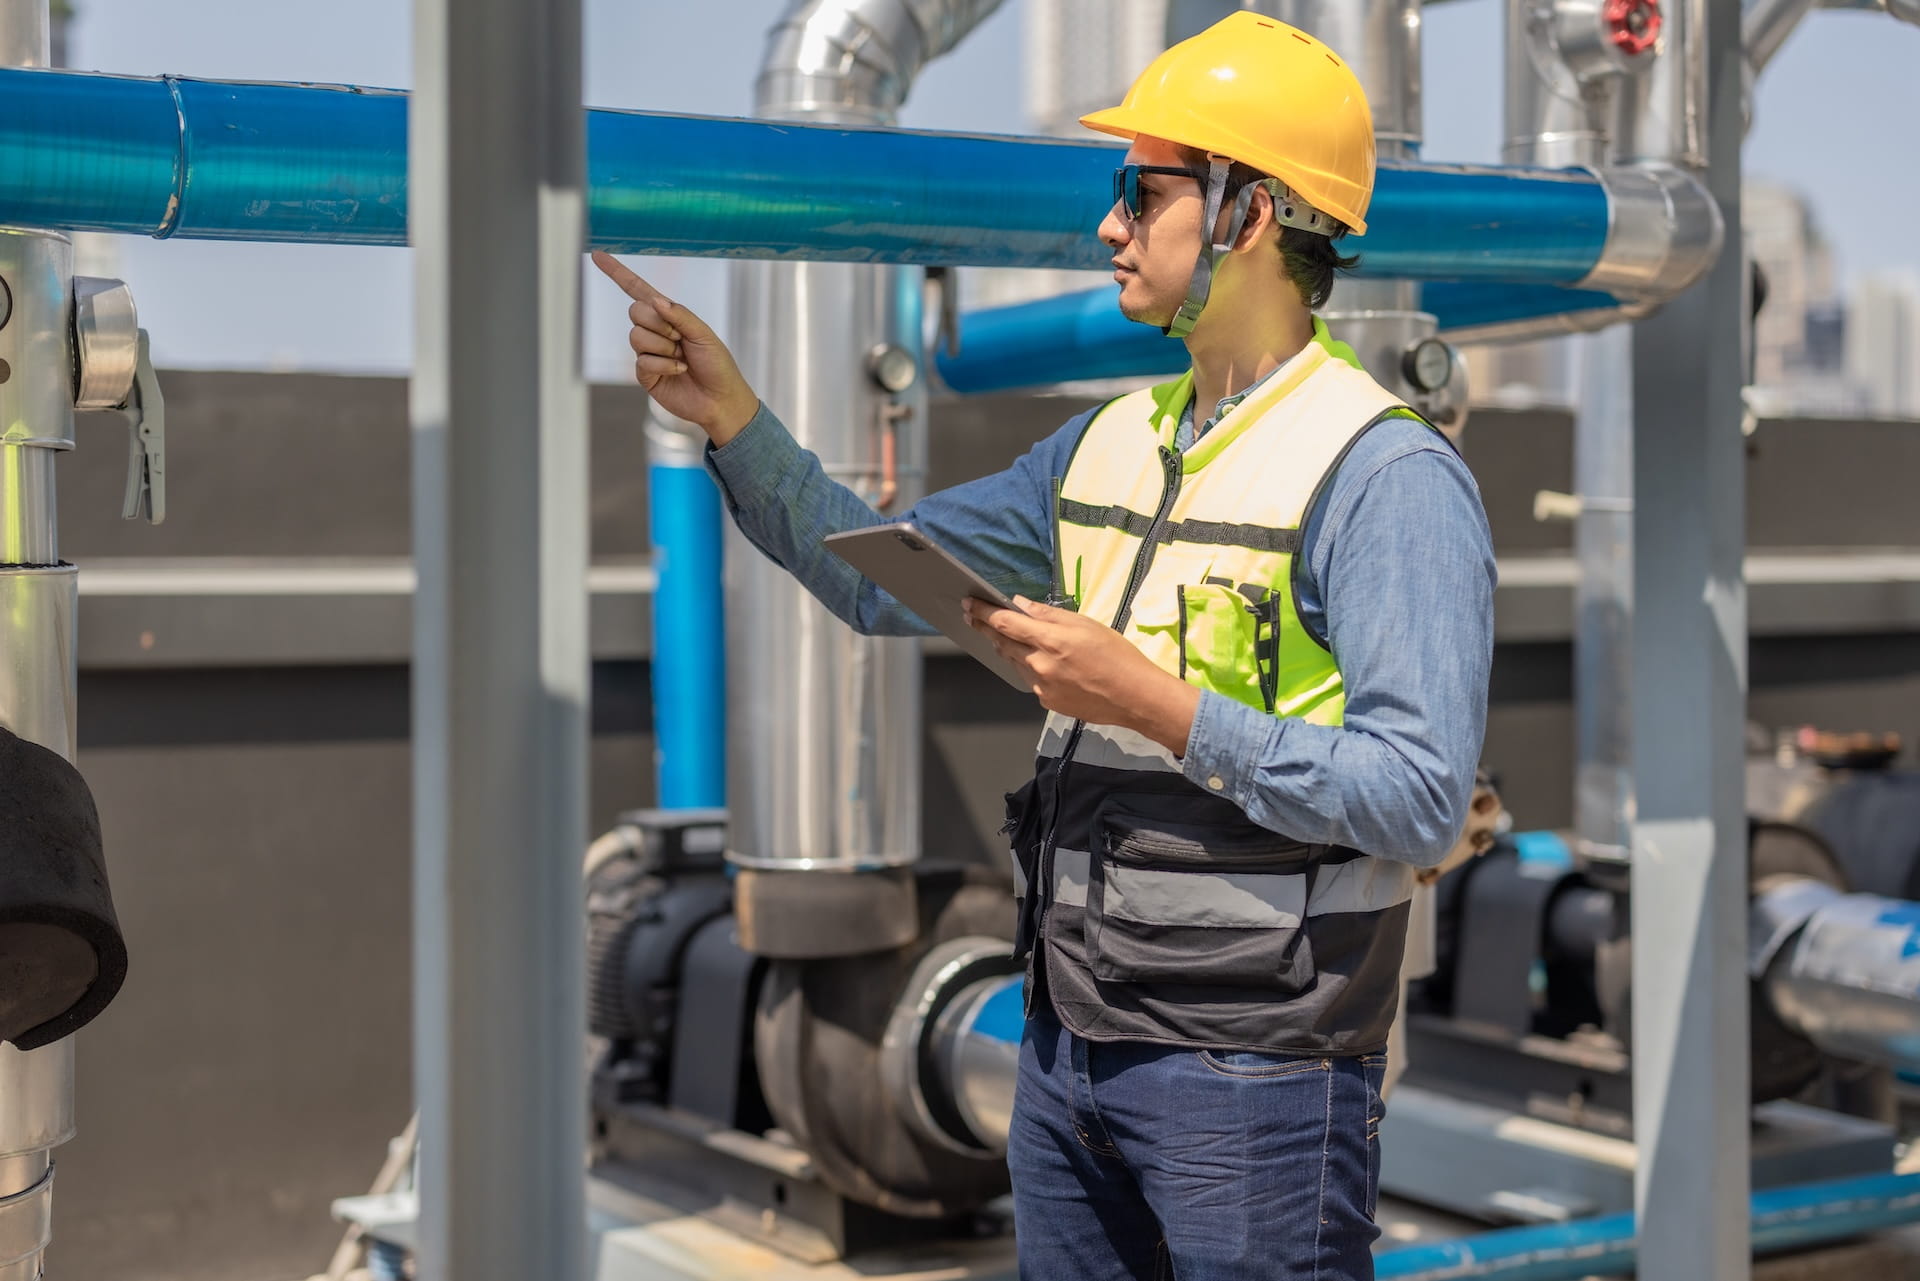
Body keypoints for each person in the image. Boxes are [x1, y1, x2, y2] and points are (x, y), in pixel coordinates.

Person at [593, 12, 1494, 1277]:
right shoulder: (1105, 446)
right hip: (1068, 1051)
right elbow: (878, 578)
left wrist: (1159, 706)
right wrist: (737, 419)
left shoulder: (1385, 474)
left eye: (1142, 191)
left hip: (1256, 1078)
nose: (1110, 226)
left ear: (1248, 213)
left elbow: (1417, 798)